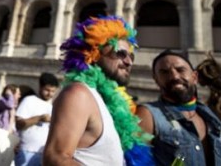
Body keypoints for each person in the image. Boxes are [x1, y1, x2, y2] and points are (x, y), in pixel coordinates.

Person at [43, 15, 152, 166]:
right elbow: (56, 158)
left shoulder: (107, 103)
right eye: (120, 53)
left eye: (131, 56)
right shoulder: (79, 93)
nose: (128, 62)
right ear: (93, 54)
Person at [136, 49, 221, 166]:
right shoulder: (148, 114)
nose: (174, 76)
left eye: (180, 70)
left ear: (194, 77)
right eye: (164, 72)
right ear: (156, 80)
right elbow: (135, 160)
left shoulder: (212, 118)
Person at [14, 72, 59, 165]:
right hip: (26, 151)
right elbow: (19, 124)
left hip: (44, 155)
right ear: (40, 87)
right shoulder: (29, 100)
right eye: (47, 90)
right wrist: (39, 119)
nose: (50, 93)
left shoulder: (54, 107)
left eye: (53, 91)